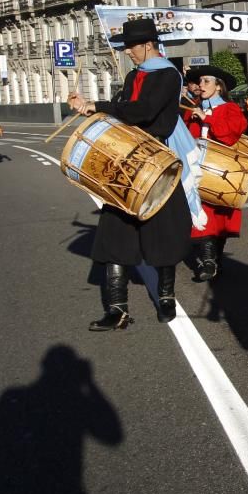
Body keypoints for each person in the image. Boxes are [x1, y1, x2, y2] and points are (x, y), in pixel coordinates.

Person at [67, 18, 201, 330]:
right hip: (125, 163)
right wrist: (91, 107)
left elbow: (145, 111)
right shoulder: (133, 74)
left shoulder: (167, 75)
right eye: (126, 47)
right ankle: (117, 309)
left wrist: (97, 105)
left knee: (163, 232)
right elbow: (121, 107)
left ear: (147, 44)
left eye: (131, 47)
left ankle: (166, 297)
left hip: (157, 162)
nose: (128, 52)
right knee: (115, 232)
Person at [183, 65, 248, 281]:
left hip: (221, 173)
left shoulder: (229, 108)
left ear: (218, 87)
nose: (200, 86)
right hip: (196, 172)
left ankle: (215, 259)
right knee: (203, 214)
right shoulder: (193, 109)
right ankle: (209, 261)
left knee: (219, 219)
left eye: (206, 82)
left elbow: (229, 135)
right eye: (199, 82)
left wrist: (206, 118)